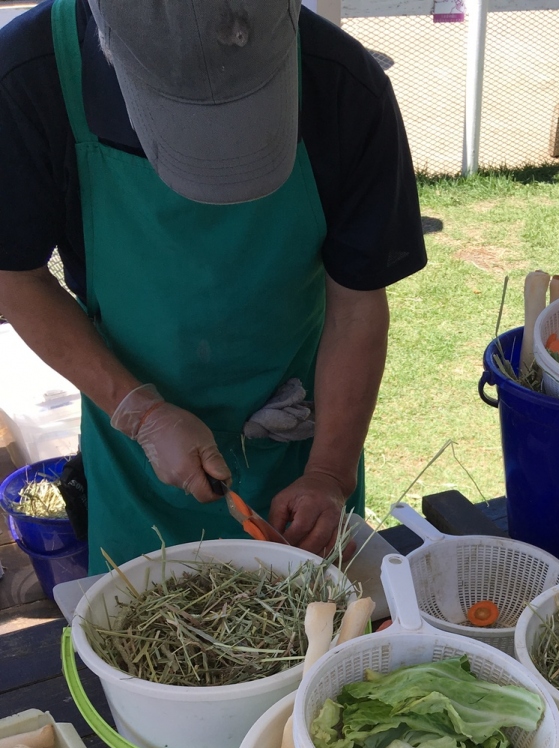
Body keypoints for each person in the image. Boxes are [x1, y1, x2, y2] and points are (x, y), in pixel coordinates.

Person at [0, 0, 427, 570]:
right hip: (132, 453)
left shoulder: (344, 84)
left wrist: (329, 471)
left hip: (296, 434)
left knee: (323, 618)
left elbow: (356, 305)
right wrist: (142, 415)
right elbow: (16, 278)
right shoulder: (29, 76)